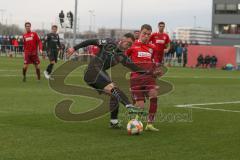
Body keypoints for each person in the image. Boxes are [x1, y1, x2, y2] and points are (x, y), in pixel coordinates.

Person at [67, 33, 149, 125]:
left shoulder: (121, 56)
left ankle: (113, 122)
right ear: (123, 39)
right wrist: (74, 48)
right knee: (114, 89)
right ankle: (129, 106)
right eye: (128, 43)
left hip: (99, 74)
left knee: (115, 95)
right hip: (93, 70)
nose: (128, 46)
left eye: (130, 45)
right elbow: (91, 41)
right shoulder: (109, 42)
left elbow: (134, 67)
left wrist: (151, 73)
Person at [126, 24, 162, 132]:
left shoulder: (152, 48)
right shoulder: (132, 46)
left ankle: (150, 124)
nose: (146, 36)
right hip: (136, 79)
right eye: (144, 33)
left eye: (148, 34)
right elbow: (123, 59)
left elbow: (154, 63)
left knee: (154, 96)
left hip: (149, 78)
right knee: (140, 105)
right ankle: (135, 122)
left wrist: (156, 71)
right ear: (140, 33)